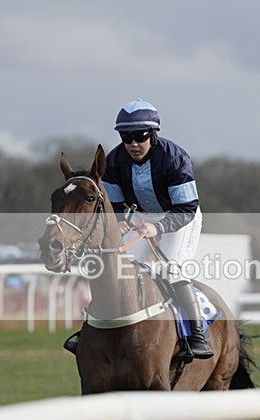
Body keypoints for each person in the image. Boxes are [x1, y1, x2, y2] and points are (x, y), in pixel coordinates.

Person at [64, 99, 214, 360]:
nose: (133, 143)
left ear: (153, 134)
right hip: (141, 218)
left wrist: (159, 227)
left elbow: (187, 207)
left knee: (172, 269)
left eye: (140, 136)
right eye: (126, 137)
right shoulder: (114, 161)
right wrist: (120, 221)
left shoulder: (174, 158)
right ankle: (91, 332)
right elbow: (115, 204)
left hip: (180, 218)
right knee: (117, 268)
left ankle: (196, 336)